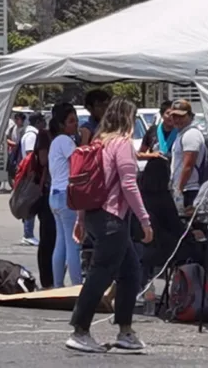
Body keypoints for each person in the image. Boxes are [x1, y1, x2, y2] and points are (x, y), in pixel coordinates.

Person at [66, 97, 153, 353]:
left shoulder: (98, 143)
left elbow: (86, 184)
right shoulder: (121, 144)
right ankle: (80, 330)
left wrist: (81, 220)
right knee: (100, 274)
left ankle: (125, 330)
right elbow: (129, 184)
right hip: (112, 218)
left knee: (129, 273)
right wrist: (145, 220)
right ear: (128, 118)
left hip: (96, 215)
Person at [48, 103, 83, 287]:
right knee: (73, 244)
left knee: (61, 242)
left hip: (55, 195)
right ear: (62, 124)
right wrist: (84, 142)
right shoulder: (66, 141)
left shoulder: (55, 142)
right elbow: (80, 163)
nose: (75, 125)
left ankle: (58, 284)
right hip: (65, 194)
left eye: (76, 121)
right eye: (71, 121)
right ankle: (77, 285)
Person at [25, 130, 57, 288]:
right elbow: (43, 160)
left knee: (57, 240)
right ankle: (47, 280)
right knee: (48, 238)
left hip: (54, 192)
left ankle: (54, 279)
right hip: (46, 192)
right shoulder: (45, 136)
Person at [169, 99, 208, 210]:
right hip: (183, 189)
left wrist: (179, 189)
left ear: (190, 116)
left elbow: (188, 166)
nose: (177, 119)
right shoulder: (181, 134)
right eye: (174, 116)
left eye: (181, 116)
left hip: (190, 190)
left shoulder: (191, 134)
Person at [18, 113, 46, 247]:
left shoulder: (31, 134)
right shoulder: (31, 136)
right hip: (31, 175)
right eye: (43, 121)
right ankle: (27, 234)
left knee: (32, 204)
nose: (45, 124)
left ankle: (29, 233)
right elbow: (30, 156)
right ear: (38, 122)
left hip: (31, 175)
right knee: (30, 205)